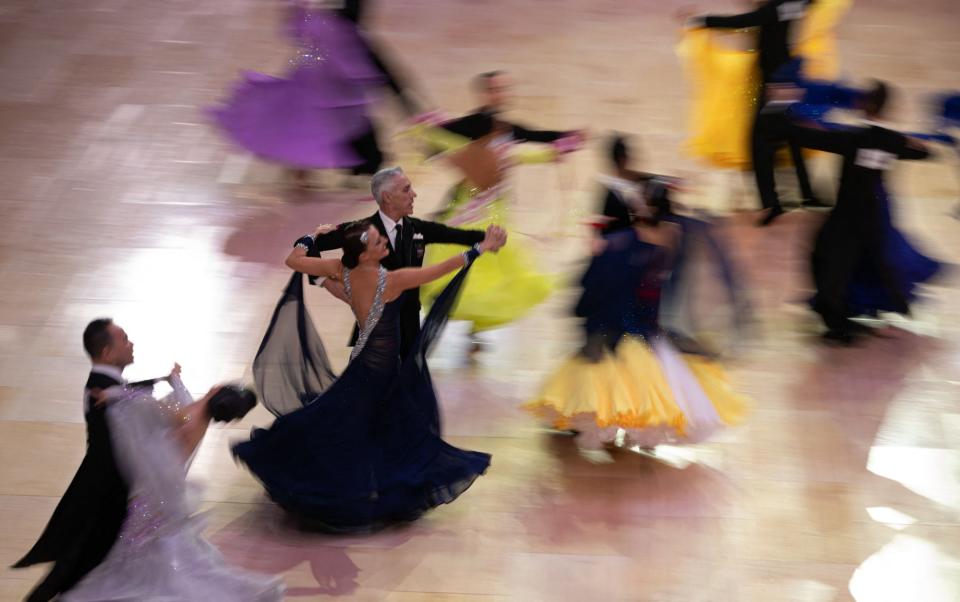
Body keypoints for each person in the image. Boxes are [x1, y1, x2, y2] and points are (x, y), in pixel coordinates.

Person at [234, 221, 506, 532]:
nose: (384, 246)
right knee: (358, 424)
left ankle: (369, 479)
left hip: (366, 360)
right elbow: (439, 270)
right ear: (364, 255)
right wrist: (478, 249)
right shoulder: (390, 280)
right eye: (377, 243)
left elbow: (294, 260)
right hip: (379, 367)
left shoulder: (342, 267)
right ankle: (349, 487)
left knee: (359, 421)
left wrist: (311, 237)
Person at [524, 186, 749, 461]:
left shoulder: (613, 247)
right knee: (648, 391)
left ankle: (610, 432)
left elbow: (589, 295)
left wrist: (583, 309)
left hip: (609, 333)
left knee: (601, 391)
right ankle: (635, 433)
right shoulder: (665, 245)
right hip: (645, 332)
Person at [209, 1, 420, 187]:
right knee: (334, 120)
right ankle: (356, 165)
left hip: (324, 70)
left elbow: (298, 28)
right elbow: (379, 73)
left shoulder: (325, 29)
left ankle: (309, 167)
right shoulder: (335, 34)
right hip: (330, 76)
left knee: (318, 116)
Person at [790, 81, 940, 343]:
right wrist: (909, 141)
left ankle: (839, 324)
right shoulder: (889, 141)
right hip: (873, 216)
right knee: (873, 264)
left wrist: (797, 122)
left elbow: (812, 138)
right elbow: (924, 154)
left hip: (848, 216)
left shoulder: (854, 139)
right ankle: (892, 304)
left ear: (867, 105)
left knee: (828, 260)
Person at [679, 0, 852, 224]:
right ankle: (808, 194)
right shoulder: (796, 2)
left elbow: (744, 21)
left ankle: (772, 202)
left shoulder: (774, 8)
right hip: (788, 79)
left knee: (759, 143)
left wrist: (701, 20)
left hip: (774, 86)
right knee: (792, 136)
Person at [306, 166, 491, 359]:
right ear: (387, 197)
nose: (414, 194)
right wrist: (322, 281)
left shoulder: (418, 228)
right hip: (374, 334)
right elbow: (307, 245)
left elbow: (459, 235)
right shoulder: (359, 231)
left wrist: (491, 238)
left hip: (409, 332)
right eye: (406, 189)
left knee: (406, 384)